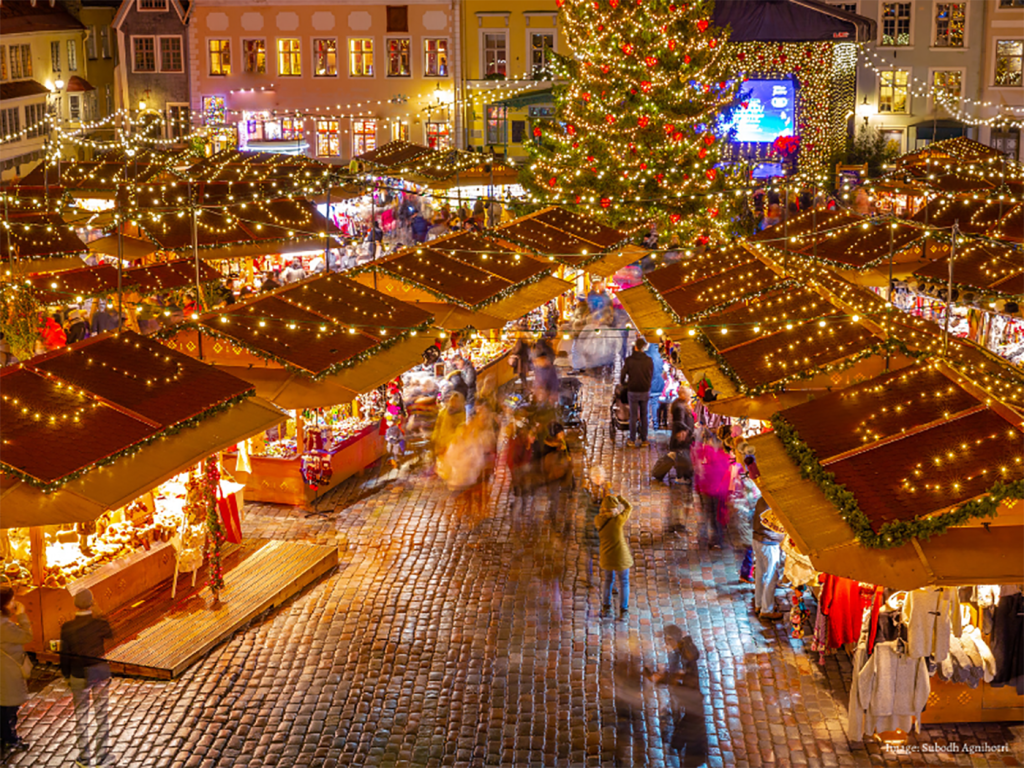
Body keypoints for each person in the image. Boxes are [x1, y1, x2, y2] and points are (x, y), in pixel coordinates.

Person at [61, 588, 113, 768]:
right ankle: (103, 757)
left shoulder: (67, 628)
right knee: (101, 715)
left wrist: (67, 676)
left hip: (78, 673)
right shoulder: (99, 624)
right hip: (99, 672)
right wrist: (98, 610)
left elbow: (64, 655)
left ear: (75, 604)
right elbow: (110, 632)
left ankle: (84, 758)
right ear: (92, 603)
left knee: (81, 716)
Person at [0, 586, 32, 757]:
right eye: (11, 601)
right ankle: (10, 739)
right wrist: (21, 614)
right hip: (7, 672)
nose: (14, 603)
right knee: (8, 708)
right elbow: (26, 636)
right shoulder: (5, 626)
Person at [595, 492, 634, 619]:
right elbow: (629, 507)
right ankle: (624, 611)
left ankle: (606, 608)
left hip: (606, 556)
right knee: (624, 582)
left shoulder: (598, 520)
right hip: (621, 557)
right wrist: (620, 498)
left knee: (608, 580)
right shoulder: (618, 520)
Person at [752, 497, 785, 621]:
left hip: (757, 539)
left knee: (760, 574)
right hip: (769, 543)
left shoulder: (762, 499)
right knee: (771, 576)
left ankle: (759, 604)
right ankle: (767, 610)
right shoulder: (775, 501)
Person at [620, 338, 654, 448]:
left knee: (633, 415)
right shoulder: (648, 360)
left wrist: (623, 383)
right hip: (644, 390)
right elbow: (651, 374)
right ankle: (644, 439)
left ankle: (632, 439)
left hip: (633, 390)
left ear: (635, 347)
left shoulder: (629, 360)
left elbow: (623, 374)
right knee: (644, 415)